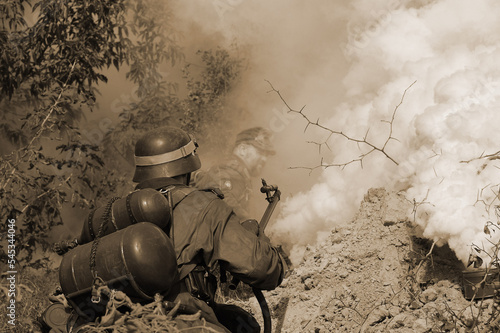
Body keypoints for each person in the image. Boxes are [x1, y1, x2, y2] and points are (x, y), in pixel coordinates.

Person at [132, 126, 287, 333]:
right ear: (186, 168)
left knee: (236, 319)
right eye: (261, 152)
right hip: (177, 319)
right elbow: (264, 269)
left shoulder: (117, 213)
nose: (264, 159)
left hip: (126, 319)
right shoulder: (203, 203)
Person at [192, 127, 276, 219]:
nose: (265, 159)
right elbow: (222, 203)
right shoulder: (229, 172)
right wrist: (249, 227)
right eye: (260, 151)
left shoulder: (239, 174)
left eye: (266, 155)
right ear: (242, 149)